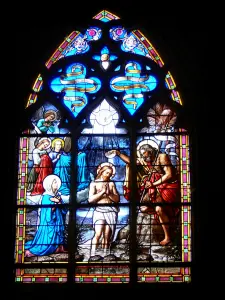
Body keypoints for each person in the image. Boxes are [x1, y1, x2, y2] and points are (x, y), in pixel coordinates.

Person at [111, 143, 180, 246]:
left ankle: (167, 237)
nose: (143, 156)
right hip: (156, 188)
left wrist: (153, 183)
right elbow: (131, 162)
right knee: (143, 208)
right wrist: (118, 153)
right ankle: (157, 212)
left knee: (158, 209)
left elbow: (169, 174)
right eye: (142, 154)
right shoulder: (145, 160)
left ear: (151, 151)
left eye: (145, 154)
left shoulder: (162, 157)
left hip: (169, 187)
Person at [25, 174, 68, 257]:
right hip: (49, 222)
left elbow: (64, 209)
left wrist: (59, 202)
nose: (56, 184)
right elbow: (48, 211)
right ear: (49, 185)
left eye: (56, 182)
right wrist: (55, 203)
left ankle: (60, 247)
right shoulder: (45, 197)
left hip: (58, 220)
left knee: (58, 232)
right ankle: (49, 248)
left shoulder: (57, 195)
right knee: (49, 236)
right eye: (54, 182)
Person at [88, 163, 120, 255]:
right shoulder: (94, 183)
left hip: (111, 211)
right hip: (99, 211)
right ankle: (92, 254)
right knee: (97, 234)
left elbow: (117, 199)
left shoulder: (111, 183)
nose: (108, 175)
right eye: (107, 173)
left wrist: (109, 194)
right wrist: (102, 193)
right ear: (101, 172)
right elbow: (90, 200)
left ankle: (106, 255)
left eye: (110, 174)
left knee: (107, 236)